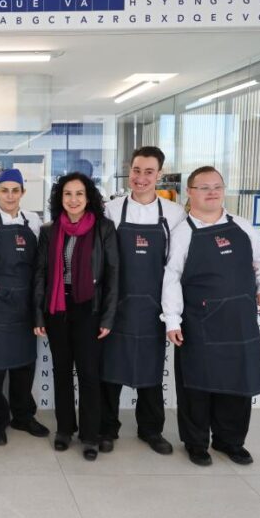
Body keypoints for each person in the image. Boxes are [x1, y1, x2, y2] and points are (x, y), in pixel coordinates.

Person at [162, 166, 260, 467]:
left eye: (216, 186)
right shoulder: (183, 232)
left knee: (238, 385)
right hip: (199, 322)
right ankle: (196, 443)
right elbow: (171, 278)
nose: (211, 192)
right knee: (196, 387)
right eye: (203, 187)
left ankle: (231, 441)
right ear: (190, 192)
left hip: (239, 321)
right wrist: (172, 320)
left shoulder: (242, 226)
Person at [99, 147, 186, 455]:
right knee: (110, 372)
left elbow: (176, 267)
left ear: (159, 174)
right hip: (117, 306)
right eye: (137, 170)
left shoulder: (174, 215)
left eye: (149, 172)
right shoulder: (111, 210)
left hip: (153, 308)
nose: (141, 177)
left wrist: (172, 311)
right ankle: (107, 428)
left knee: (151, 373)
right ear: (129, 170)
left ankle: (151, 430)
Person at [33, 172, 118, 461]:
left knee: (89, 375)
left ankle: (90, 435)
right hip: (57, 310)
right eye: (67, 194)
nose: (73, 199)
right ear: (60, 198)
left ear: (88, 197)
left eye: (79, 193)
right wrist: (39, 314)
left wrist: (107, 318)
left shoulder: (104, 228)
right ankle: (64, 430)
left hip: (89, 310)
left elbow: (113, 276)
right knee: (61, 372)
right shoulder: (49, 231)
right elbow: (41, 275)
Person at [0, 169, 50, 446]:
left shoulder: (33, 220)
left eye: (15, 190)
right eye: (4, 190)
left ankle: (23, 415)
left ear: (23, 193)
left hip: (26, 303)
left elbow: (39, 264)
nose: (10, 195)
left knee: (25, 365)